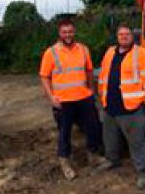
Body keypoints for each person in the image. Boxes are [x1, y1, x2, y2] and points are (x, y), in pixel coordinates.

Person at [40, 19, 103, 180]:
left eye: (70, 31)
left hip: (84, 98)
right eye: (64, 32)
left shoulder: (83, 49)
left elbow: (89, 70)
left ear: (74, 32)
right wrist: (51, 97)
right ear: (59, 33)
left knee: (93, 128)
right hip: (63, 101)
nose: (68, 35)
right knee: (64, 133)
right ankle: (65, 163)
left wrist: (90, 89)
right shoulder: (51, 52)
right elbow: (44, 76)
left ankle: (93, 156)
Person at [98, 25, 145, 190]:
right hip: (110, 106)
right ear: (117, 36)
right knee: (109, 138)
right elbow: (103, 75)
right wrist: (103, 97)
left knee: (137, 142)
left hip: (132, 108)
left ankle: (143, 172)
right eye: (120, 34)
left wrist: (143, 103)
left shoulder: (142, 54)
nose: (124, 37)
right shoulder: (110, 52)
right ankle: (112, 160)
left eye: (127, 34)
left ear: (133, 36)